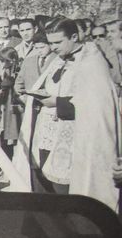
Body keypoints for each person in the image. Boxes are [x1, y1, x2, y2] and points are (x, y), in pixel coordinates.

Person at [29, 20, 120, 211]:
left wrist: (57, 103)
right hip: (52, 133)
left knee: (71, 193)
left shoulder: (92, 62)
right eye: (50, 43)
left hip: (78, 138)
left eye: (58, 43)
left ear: (74, 37)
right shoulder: (61, 58)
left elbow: (95, 106)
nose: (53, 48)